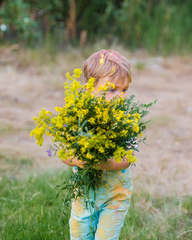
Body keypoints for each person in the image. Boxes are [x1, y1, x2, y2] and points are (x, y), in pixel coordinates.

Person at [61, 49, 133, 240]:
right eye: (111, 89)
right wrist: (76, 160)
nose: (119, 96)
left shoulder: (126, 120)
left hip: (115, 197)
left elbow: (126, 159)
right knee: (79, 236)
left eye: (124, 89)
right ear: (89, 89)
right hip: (83, 196)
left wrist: (97, 163)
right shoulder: (79, 117)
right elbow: (64, 153)